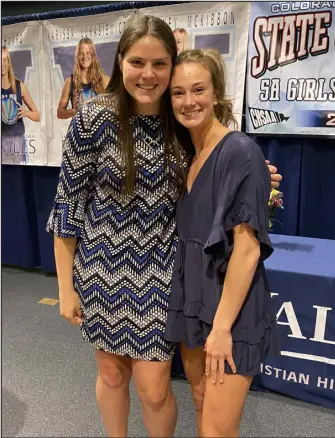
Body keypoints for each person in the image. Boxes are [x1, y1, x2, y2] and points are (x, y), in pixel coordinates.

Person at [47, 15, 281, 438]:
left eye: (159, 64)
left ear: (172, 66)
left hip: (161, 276)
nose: (148, 74)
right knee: (111, 374)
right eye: (138, 61)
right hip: (100, 273)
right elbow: (67, 206)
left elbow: (220, 163)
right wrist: (66, 289)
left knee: (154, 389)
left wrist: (260, 177)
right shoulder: (93, 119)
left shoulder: (179, 121)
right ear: (120, 62)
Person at [164, 48, 280, 438]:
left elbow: (247, 250)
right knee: (200, 404)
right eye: (178, 93)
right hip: (193, 300)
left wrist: (222, 329)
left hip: (231, 312)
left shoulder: (240, 151)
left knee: (217, 429)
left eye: (198, 89)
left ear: (216, 94)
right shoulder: (187, 156)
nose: (188, 101)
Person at [1, 46, 40, 164]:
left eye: (4, 60)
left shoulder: (19, 86)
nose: (2, 64)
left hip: (17, 140)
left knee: (17, 177)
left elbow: (37, 116)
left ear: (8, 62)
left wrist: (26, 112)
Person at [57, 37, 110, 119]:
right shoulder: (70, 81)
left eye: (88, 53)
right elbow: (60, 113)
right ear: (77, 56)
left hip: (100, 129)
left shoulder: (104, 79)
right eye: (81, 53)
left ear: (93, 55)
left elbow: (115, 106)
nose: (85, 56)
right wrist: (73, 111)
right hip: (79, 130)